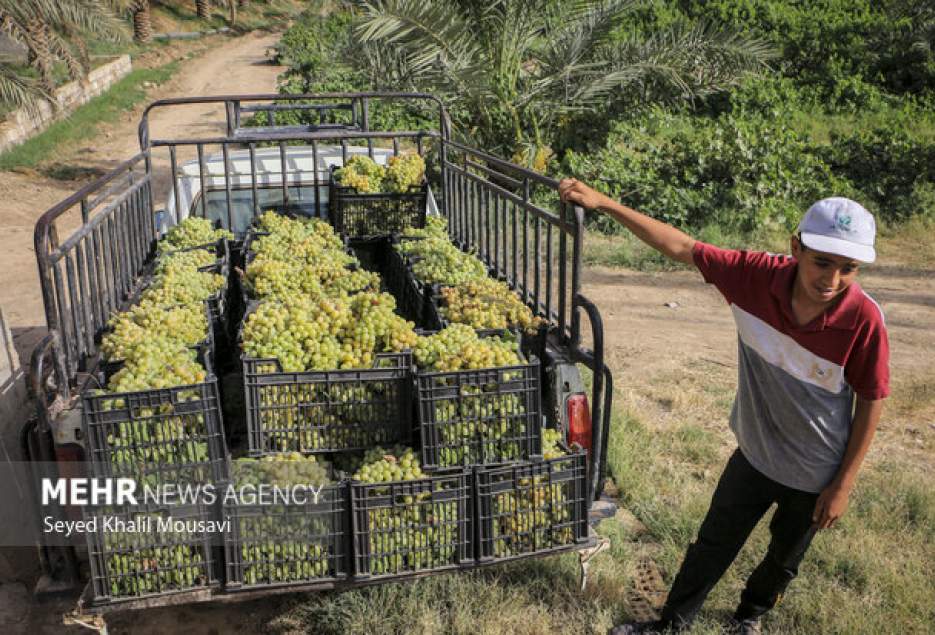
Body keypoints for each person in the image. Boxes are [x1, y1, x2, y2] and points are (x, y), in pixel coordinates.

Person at [557, 179, 890, 635]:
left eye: (849, 268)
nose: (832, 280)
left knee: (783, 559)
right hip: (754, 455)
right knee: (713, 543)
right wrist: (604, 203)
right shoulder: (752, 278)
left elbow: (871, 399)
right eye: (822, 262)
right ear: (796, 247)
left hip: (816, 474)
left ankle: (749, 617)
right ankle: (671, 624)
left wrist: (843, 485)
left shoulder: (863, 320)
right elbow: (680, 246)